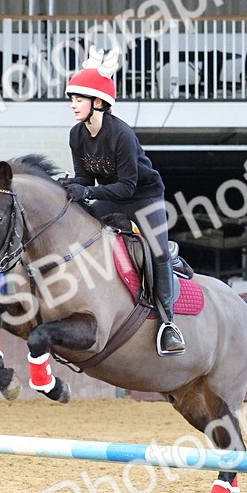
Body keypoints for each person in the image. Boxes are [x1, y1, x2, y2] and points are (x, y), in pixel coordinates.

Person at [61, 48, 185, 356]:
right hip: (112, 194)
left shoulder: (122, 135)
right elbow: (85, 179)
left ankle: (169, 324)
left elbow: (128, 187)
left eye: (79, 99)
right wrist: (66, 186)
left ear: (98, 103)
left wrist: (87, 193)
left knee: (156, 254)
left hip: (144, 196)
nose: (73, 105)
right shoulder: (76, 135)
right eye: (72, 99)